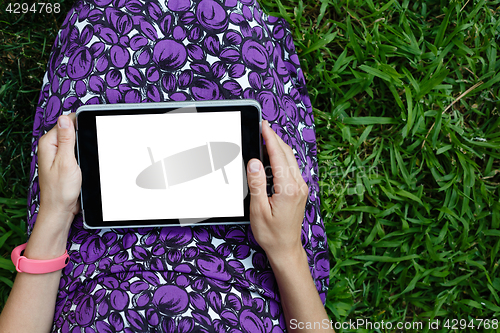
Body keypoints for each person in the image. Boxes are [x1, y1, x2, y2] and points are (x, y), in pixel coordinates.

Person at [0, 0, 331, 331]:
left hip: (86, 241)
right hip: (255, 250)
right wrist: (287, 250)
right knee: (228, 23)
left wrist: (55, 215)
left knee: (103, 25)